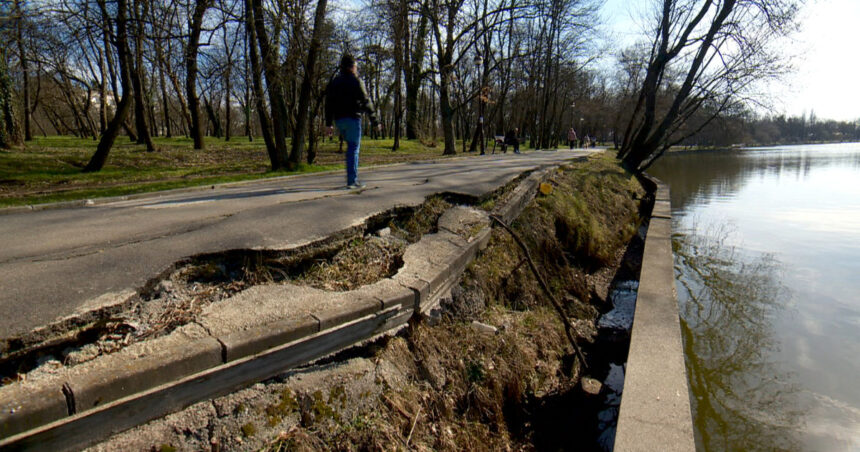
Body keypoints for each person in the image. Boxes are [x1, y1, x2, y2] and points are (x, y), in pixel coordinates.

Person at [325, 54, 379, 189]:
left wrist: (328, 124)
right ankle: (352, 181)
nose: (356, 68)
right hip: (352, 119)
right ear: (352, 67)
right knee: (353, 149)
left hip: (339, 120)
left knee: (350, 148)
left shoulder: (334, 82)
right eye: (355, 66)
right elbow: (366, 101)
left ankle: (351, 178)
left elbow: (328, 104)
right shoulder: (356, 81)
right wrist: (375, 121)